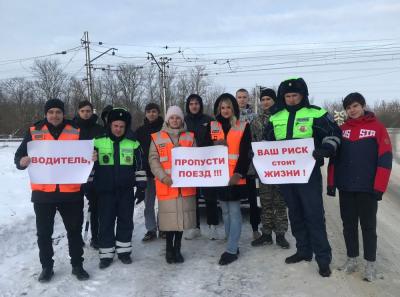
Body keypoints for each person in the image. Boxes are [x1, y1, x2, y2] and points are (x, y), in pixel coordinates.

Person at [264, 77, 341, 277]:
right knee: (295, 214)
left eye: (294, 95)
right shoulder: (275, 117)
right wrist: (257, 155)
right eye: (287, 96)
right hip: (286, 175)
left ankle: (323, 259)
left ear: (302, 95)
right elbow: (267, 143)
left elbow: (334, 134)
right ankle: (303, 250)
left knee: (314, 215)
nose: (291, 99)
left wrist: (325, 148)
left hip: (309, 175)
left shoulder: (317, 113)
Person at [14, 98, 90, 282]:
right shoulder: (35, 131)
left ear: (63, 113)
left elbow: (86, 154)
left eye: (58, 112)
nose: (54, 115)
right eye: (51, 112)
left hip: (70, 192)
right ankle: (47, 267)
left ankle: (77, 265)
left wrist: (91, 155)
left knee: (74, 231)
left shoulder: (75, 130)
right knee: (44, 234)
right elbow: (19, 156)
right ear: (46, 114)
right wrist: (21, 162)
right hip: (43, 194)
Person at [327, 92, 392, 281]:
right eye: (348, 107)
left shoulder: (377, 128)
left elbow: (385, 159)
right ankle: (352, 259)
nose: (352, 110)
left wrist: (379, 186)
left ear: (363, 106)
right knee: (348, 226)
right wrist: (331, 183)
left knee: (368, 227)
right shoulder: (342, 129)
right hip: (346, 187)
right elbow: (334, 159)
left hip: (368, 188)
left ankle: (370, 264)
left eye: (355, 106)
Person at [93, 108, 147, 269]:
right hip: (105, 191)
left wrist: (142, 187)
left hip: (125, 191)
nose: (118, 129)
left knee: (125, 221)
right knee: (106, 222)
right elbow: (87, 165)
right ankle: (106, 254)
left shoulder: (133, 143)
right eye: (115, 125)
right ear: (110, 125)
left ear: (126, 127)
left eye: (121, 126)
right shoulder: (97, 141)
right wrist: (90, 186)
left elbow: (140, 165)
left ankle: (124, 252)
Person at [203, 93, 252, 265]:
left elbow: (246, 153)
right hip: (218, 178)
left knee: (234, 213)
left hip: (235, 178)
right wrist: (215, 145)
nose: (225, 110)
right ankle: (232, 242)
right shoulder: (211, 126)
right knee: (225, 212)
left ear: (234, 109)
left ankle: (232, 249)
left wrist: (238, 174)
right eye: (222, 107)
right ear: (218, 109)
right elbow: (204, 149)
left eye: (229, 107)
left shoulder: (243, 126)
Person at [149, 106, 197, 264]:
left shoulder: (190, 137)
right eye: (172, 117)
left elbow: (196, 159)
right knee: (169, 223)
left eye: (178, 117)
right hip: (167, 186)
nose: (175, 120)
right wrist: (163, 177)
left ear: (182, 120)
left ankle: (178, 248)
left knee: (181, 221)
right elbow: (153, 160)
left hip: (185, 187)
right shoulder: (157, 137)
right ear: (167, 120)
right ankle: (169, 249)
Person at [250, 88, 289, 249]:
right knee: (265, 201)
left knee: (280, 202)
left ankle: (280, 234)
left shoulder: (283, 117)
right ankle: (266, 233)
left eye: (269, 99)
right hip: (264, 168)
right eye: (263, 99)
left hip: (280, 167)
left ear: (274, 100)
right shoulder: (256, 121)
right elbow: (252, 143)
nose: (265, 102)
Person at [184, 94, 220, 240]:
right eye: (191, 104)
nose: (194, 106)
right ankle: (195, 227)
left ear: (200, 105)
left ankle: (213, 226)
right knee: (192, 197)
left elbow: (216, 139)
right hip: (190, 166)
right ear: (188, 106)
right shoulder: (183, 121)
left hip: (207, 164)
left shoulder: (209, 120)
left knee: (210, 196)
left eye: (197, 103)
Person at [74, 100, 105, 249]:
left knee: (95, 207)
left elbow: (104, 148)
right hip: (76, 175)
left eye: (88, 111)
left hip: (95, 174)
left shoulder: (99, 129)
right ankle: (77, 238)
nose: (86, 113)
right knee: (76, 208)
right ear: (78, 112)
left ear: (92, 112)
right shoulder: (72, 128)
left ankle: (96, 237)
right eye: (83, 111)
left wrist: (97, 154)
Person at [135, 103, 164, 242]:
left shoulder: (165, 129)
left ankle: (164, 227)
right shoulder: (140, 131)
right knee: (149, 203)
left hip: (163, 172)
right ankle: (151, 229)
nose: (151, 114)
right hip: (147, 173)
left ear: (158, 113)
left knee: (164, 202)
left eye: (154, 111)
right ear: (145, 113)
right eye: (149, 111)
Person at [236, 88, 261, 240]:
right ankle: (232, 229)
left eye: (244, 97)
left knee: (253, 197)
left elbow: (258, 136)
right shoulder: (232, 116)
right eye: (239, 97)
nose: (242, 100)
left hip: (251, 161)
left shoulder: (255, 117)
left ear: (248, 98)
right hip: (235, 161)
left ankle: (255, 228)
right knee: (234, 198)